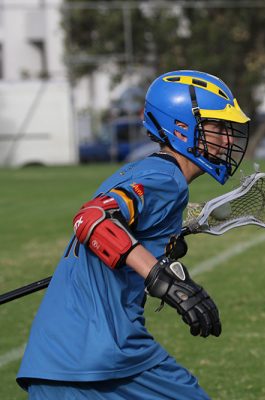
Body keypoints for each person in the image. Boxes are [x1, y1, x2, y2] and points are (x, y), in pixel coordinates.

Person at [17, 70, 250, 399]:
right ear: (181, 127)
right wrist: (161, 277)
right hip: (100, 353)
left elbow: (116, 233)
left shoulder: (148, 170)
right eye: (217, 128)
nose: (227, 139)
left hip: (59, 354)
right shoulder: (167, 179)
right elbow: (90, 219)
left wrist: (157, 251)